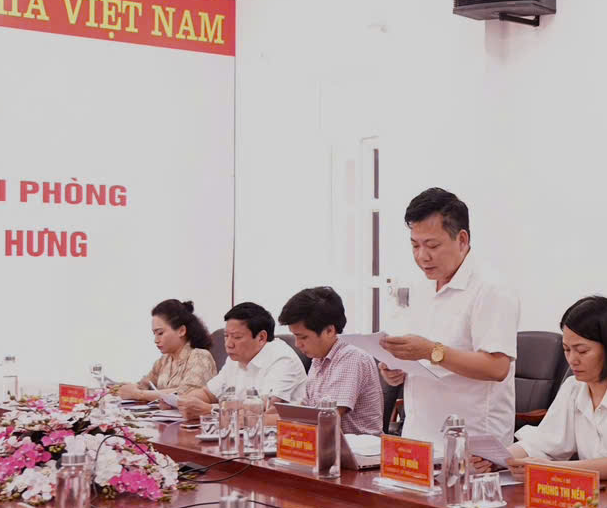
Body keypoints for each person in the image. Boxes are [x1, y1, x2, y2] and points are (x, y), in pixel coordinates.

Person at [378, 188, 519, 448]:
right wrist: (394, 371)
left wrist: (430, 351)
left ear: (462, 240)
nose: (422, 256)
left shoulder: (491, 288)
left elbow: (497, 367)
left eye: (432, 245)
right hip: (417, 436)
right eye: (415, 245)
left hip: (472, 443)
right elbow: (419, 357)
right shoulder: (420, 286)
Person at [496, 296, 607, 480]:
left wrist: (552, 468)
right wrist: (498, 459)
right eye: (566, 350)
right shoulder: (573, 388)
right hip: (595, 490)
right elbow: (543, 442)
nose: (572, 360)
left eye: (582, 351)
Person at [176, 302, 308, 421]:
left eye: (237, 337)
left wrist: (210, 409)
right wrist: (187, 402)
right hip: (239, 431)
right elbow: (208, 393)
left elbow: (265, 407)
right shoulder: (235, 358)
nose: (228, 344)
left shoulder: (282, 358)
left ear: (261, 337)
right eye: (226, 336)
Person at [279, 286, 383, 435]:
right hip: (327, 442)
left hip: (358, 446)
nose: (297, 344)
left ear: (329, 330)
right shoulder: (319, 357)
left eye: (303, 337)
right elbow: (306, 411)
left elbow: (326, 418)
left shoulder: (351, 356)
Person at [117, 300, 217, 403]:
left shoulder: (200, 356)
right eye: (154, 334)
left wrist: (139, 394)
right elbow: (144, 385)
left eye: (160, 333)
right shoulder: (164, 361)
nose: (156, 340)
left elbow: (187, 393)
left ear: (181, 331)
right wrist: (125, 388)